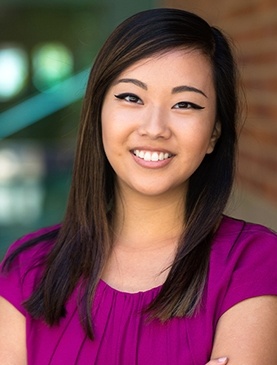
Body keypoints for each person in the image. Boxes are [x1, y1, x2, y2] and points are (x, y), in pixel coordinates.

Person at [0, 7, 277, 365]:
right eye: (131, 97)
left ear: (214, 133)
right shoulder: (27, 268)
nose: (154, 127)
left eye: (185, 104)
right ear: (98, 110)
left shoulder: (253, 262)